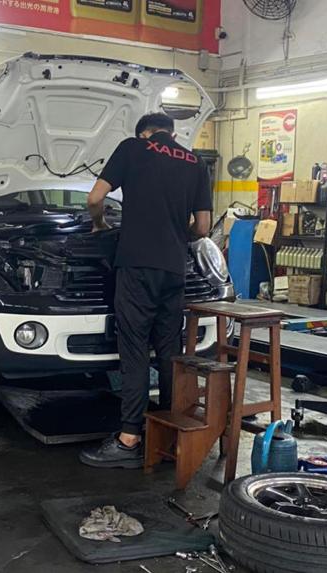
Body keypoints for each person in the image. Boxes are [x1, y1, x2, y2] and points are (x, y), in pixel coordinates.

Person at [79, 113, 213, 469]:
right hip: (175, 269)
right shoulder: (195, 162)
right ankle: (168, 435)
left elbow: (95, 199)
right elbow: (203, 226)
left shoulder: (133, 148)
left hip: (137, 266)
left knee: (135, 349)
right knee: (169, 351)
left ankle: (129, 439)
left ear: (145, 133)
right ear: (172, 132)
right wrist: (173, 234)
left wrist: (100, 223)